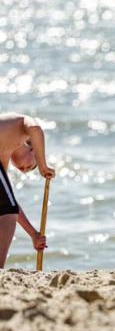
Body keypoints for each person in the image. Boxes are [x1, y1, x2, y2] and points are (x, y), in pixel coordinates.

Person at [0, 113, 55, 267]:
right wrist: (43, 166)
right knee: (6, 209)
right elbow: (36, 129)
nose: (25, 170)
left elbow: (11, 204)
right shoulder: (22, 127)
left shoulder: (3, 156)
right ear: (33, 150)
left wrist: (33, 234)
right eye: (31, 166)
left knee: (6, 207)